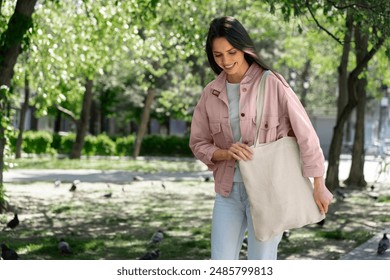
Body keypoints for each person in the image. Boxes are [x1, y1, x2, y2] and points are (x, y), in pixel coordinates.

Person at [189, 16, 333, 260]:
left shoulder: (272, 83)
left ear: (244, 48)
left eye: (231, 52)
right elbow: (198, 142)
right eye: (218, 55)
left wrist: (319, 183)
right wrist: (224, 153)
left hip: (269, 190)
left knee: (261, 265)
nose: (225, 61)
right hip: (228, 193)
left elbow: (305, 133)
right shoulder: (210, 93)